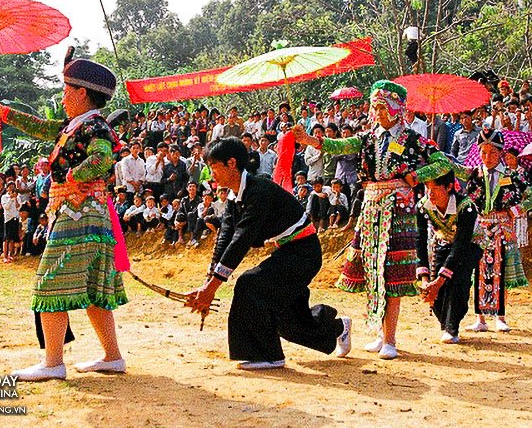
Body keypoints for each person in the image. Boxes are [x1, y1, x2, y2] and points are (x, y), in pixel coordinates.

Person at [0, 57, 128, 380]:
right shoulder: (75, 126)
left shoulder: (94, 127)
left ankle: (53, 363)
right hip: (86, 215)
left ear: (80, 93)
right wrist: (1, 111)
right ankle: (112, 356)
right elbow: (37, 126)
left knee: (50, 283)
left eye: (65, 90)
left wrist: (74, 176)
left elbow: (103, 158)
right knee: (93, 288)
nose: (62, 97)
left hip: (79, 214)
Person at [293, 80, 451, 360]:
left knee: (391, 272)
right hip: (371, 207)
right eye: (374, 107)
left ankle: (390, 338)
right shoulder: (369, 137)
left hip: (399, 209)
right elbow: (340, 144)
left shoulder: (414, 139)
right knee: (374, 270)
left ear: (395, 109)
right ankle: (379, 334)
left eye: (381, 107)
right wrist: (310, 140)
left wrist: (417, 177)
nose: (376, 112)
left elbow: (443, 164)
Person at [186, 137, 351, 369]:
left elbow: (241, 240)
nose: (211, 174)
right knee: (286, 319)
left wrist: (212, 288)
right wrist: (208, 281)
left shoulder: (259, 192)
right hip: (287, 252)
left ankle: (266, 355)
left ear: (231, 163)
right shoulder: (235, 197)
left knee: (250, 285)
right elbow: (225, 238)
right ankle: (337, 328)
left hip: (303, 253)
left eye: (214, 167)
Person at [465, 130, 532, 332]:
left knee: (502, 272)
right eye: (483, 152)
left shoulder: (512, 175)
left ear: (500, 153)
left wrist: (514, 210)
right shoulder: (475, 173)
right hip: (481, 228)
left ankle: (501, 316)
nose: (487, 157)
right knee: (478, 273)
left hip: (503, 228)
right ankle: (480, 318)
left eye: (491, 153)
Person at [415, 154, 483, 344]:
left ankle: (452, 327)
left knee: (457, 281)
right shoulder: (422, 207)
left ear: (450, 187)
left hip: (470, 245)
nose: (431, 194)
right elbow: (420, 238)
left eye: (436, 189)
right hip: (444, 242)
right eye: (428, 189)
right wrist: (425, 276)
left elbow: (462, 245)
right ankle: (445, 323)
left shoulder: (466, 207)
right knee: (437, 286)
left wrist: (440, 279)